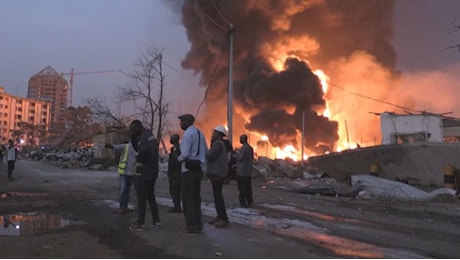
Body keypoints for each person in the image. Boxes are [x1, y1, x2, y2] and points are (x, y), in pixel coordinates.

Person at [177, 113, 208, 234]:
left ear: (187, 122)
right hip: (198, 170)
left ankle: (190, 226)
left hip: (188, 171)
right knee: (196, 198)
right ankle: (198, 224)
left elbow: (184, 154)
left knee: (187, 198)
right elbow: (206, 151)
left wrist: (177, 159)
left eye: (182, 121)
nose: (180, 124)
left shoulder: (188, 134)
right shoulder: (200, 133)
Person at [128, 120, 160, 231]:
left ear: (137, 127)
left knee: (141, 198)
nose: (132, 132)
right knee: (151, 196)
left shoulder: (144, 138)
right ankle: (156, 220)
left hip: (144, 172)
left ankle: (140, 223)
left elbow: (143, 153)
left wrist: (138, 158)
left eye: (133, 130)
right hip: (152, 171)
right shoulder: (150, 135)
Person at [206, 125, 229, 228]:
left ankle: (223, 218)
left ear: (219, 134)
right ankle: (219, 216)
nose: (213, 134)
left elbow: (211, 156)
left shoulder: (218, 144)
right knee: (217, 196)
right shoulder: (219, 144)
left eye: (214, 133)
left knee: (218, 197)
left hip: (217, 174)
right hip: (217, 173)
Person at [105, 141, 137, 214]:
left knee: (127, 191)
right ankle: (122, 207)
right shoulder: (126, 146)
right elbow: (115, 147)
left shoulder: (138, 148)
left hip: (132, 172)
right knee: (123, 190)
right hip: (124, 172)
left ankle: (124, 207)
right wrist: (109, 145)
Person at [235, 134, 254, 207]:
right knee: (248, 187)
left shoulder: (243, 148)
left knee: (242, 188)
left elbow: (241, 158)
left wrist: (237, 153)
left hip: (242, 172)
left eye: (240, 139)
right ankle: (250, 201)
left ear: (243, 139)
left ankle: (242, 202)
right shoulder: (250, 148)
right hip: (248, 172)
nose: (240, 140)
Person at [167, 133, 182, 213]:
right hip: (176, 172)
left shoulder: (176, 149)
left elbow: (175, 160)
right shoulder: (175, 148)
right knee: (175, 189)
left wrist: (171, 170)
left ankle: (177, 206)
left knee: (175, 189)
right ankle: (176, 205)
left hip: (175, 173)